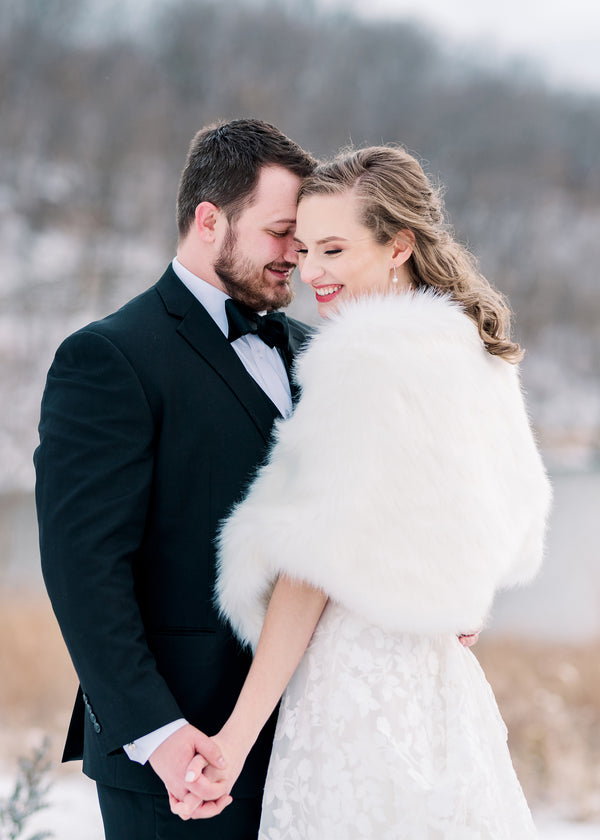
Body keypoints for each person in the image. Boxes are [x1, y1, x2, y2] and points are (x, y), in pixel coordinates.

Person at [178, 146, 552, 837]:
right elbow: (514, 515)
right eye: (303, 247)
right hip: (441, 689)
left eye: (333, 248)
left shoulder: (363, 360)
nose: (310, 270)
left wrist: (233, 741)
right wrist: (460, 587)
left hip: (353, 691)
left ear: (397, 246)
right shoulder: (475, 355)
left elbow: (307, 571)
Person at [34, 118, 316, 839]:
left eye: (306, 236)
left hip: (317, 740)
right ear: (208, 218)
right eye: (281, 232)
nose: (299, 254)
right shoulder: (109, 358)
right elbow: (84, 569)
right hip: (180, 759)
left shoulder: (324, 353)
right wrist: (157, 733)